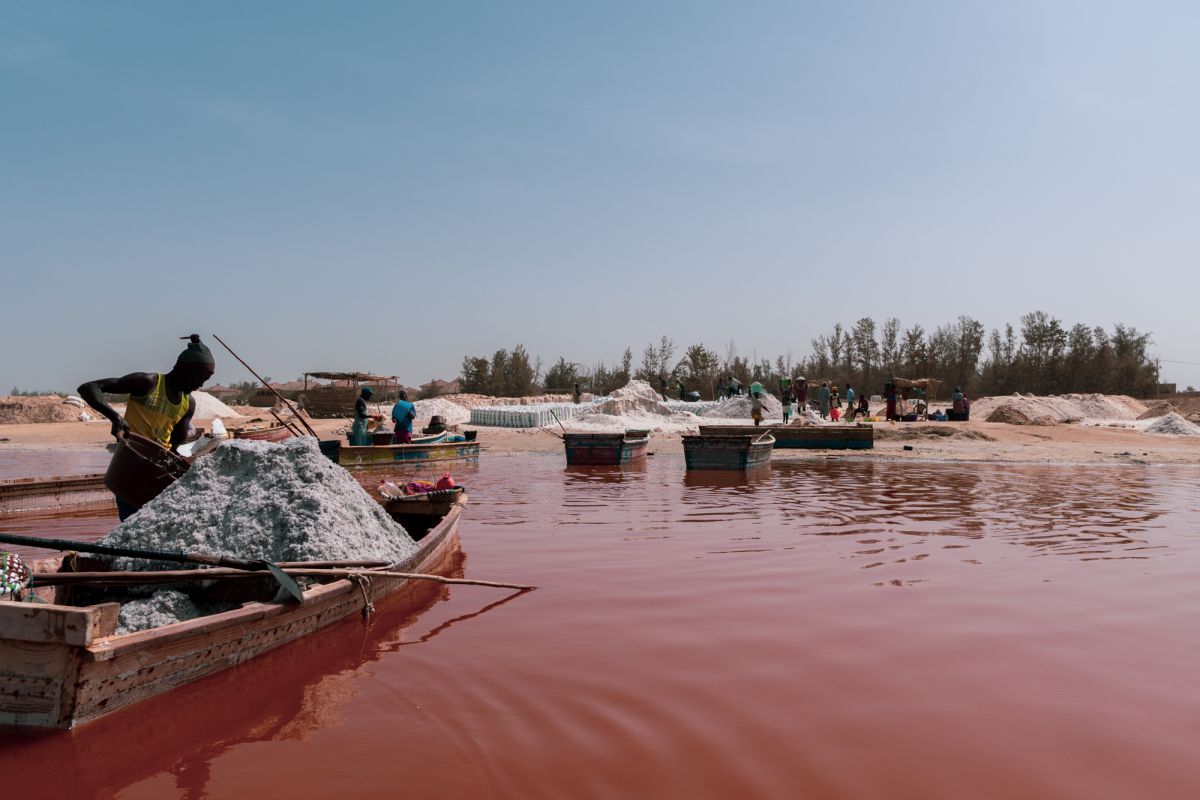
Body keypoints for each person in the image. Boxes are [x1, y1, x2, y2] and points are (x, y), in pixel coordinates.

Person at [78, 334, 216, 521]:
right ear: (185, 369)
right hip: (131, 463)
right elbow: (89, 388)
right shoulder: (148, 383)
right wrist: (115, 418)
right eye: (200, 378)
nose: (200, 385)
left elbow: (175, 446)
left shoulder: (187, 403)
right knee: (130, 519)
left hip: (156, 471)